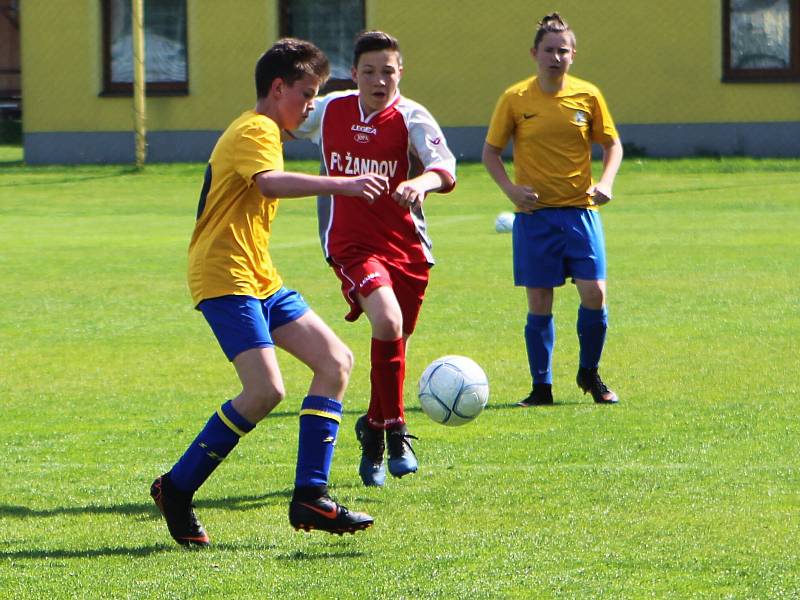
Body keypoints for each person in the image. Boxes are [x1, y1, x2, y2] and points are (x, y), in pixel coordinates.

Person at [150, 38, 391, 547]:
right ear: (277, 88)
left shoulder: (264, 130)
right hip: (224, 276)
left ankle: (311, 495)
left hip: (259, 275)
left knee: (335, 361)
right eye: (307, 94)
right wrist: (343, 183)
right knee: (265, 391)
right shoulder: (256, 128)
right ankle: (175, 488)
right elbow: (269, 184)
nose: (310, 106)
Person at [291, 31, 457, 487]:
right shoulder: (330, 110)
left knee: (395, 339)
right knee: (386, 321)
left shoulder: (412, 117)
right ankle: (397, 427)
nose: (378, 79)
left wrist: (418, 184)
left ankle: (372, 427)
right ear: (354, 74)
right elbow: (283, 118)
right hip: (351, 246)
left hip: (407, 250)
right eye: (369, 71)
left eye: (388, 70)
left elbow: (444, 168)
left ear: (400, 72)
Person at [481, 13, 623, 407]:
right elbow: (490, 152)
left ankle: (589, 373)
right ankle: (541, 388)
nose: (555, 57)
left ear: (573, 54)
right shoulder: (515, 99)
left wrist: (606, 182)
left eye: (563, 50)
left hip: (580, 212)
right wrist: (511, 189)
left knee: (594, 293)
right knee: (540, 302)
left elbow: (612, 144)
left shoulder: (588, 95)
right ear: (534, 53)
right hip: (535, 217)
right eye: (549, 50)